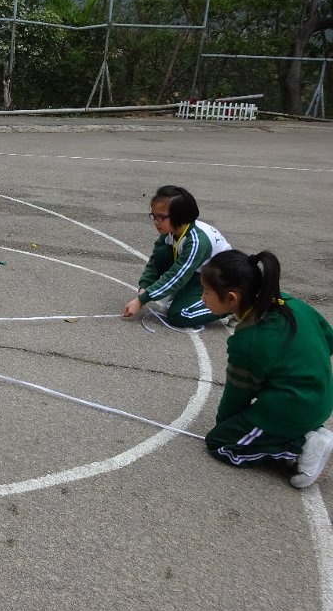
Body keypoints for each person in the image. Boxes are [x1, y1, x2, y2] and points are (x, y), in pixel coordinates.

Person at [201, 250, 333, 487]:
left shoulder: (249, 341)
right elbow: (329, 338)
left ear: (231, 298)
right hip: (322, 397)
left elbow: (237, 395)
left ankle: (299, 446)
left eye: (206, 292)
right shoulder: (288, 302)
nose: (202, 298)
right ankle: (305, 431)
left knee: (219, 444)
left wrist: (226, 427)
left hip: (294, 408)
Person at [123, 185, 231, 328]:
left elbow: (177, 275)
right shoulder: (172, 231)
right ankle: (186, 294)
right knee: (162, 253)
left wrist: (142, 299)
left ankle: (232, 305)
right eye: (153, 216)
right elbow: (155, 262)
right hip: (198, 273)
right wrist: (144, 287)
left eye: (161, 217)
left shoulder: (197, 241)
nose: (156, 221)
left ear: (179, 216)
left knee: (179, 315)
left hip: (218, 281)